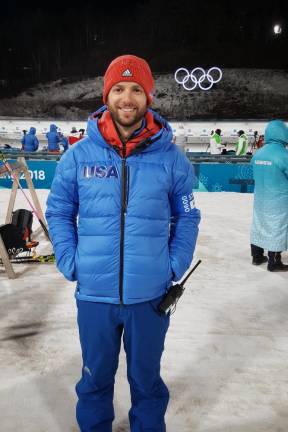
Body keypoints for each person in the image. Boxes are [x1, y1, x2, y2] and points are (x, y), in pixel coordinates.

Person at [45, 54, 201, 432]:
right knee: (95, 380)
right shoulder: (79, 156)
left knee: (147, 383)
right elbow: (58, 210)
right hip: (94, 295)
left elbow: (188, 215)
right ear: (107, 95)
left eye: (135, 89)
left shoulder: (173, 159)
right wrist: (70, 259)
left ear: (148, 96)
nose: (126, 98)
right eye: (118, 89)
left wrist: (174, 265)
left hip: (150, 296)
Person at [250, 119, 288, 272]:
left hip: (260, 198)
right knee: (276, 226)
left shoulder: (258, 154)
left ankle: (257, 256)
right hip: (278, 199)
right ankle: (274, 261)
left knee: (259, 224)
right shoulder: (284, 155)